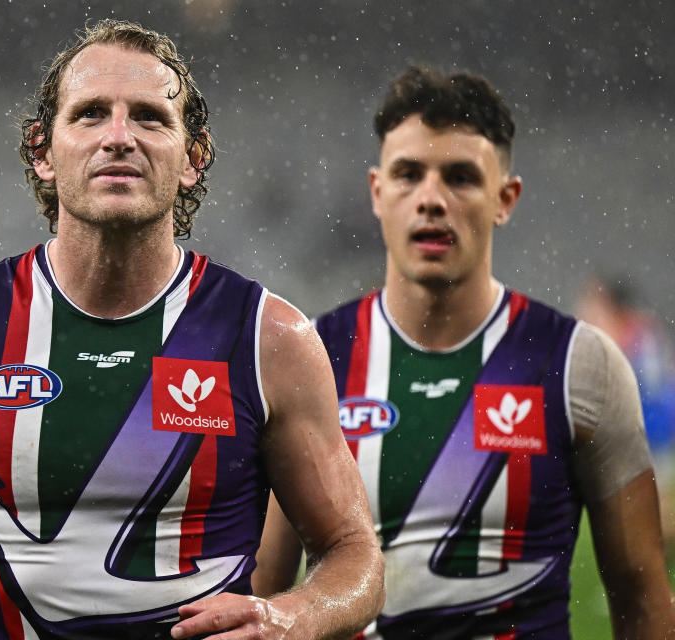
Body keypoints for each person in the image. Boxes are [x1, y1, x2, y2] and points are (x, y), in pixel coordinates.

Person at [0, 19, 383, 640]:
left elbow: (353, 554)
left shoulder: (270, 341)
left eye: (151, 117)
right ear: (43, 151)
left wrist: (287, 617)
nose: (119, 137)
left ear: (192, 157)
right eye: (91, 113)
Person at [253, 66, 675, 638]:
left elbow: (643, 597)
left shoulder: (582, 366)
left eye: (459, 177)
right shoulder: (310, 359)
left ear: (505, 198)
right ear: (378, 193)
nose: (432, 199)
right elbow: (264, 600)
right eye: (409, 175)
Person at [576, 272, 675, 555]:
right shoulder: (643, 327)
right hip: (657, 424)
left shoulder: (624, 334)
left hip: (644, 427)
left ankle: (650, 566)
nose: (586, 309)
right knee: (653, 506)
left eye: (594, 302)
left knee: (640, 514)